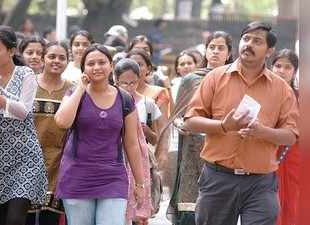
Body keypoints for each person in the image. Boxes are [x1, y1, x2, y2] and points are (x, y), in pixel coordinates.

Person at [184, 21, 299, 225]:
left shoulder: (282, 89)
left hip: (261, 183)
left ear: (269, 50)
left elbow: (291, 135)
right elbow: (191, 121)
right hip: (218, 178)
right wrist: (223, 126)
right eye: (246, 39)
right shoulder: (215, 78)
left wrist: (263, 131)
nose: (249, 44)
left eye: (257, 41)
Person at [54, 44, 145, 225]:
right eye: (91, 63)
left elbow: (132, 144)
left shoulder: (125, 99)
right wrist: (81, 88)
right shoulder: (74, 93)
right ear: (83, 68)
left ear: (111, 65)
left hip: (112, 177)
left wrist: (140, 183)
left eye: (102, 62)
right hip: (77, 176)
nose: (96, 67)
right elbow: (62, 122)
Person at [0, 25, 48, 225]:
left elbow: (22, 111)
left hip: (25, 157)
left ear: (11, 50)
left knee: (16, 220)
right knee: (0, 220)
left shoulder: (25, 74)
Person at [165, 31, 233, 225]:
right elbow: (177, 116)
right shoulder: (191, 79)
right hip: (193, 149)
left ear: (229, 53)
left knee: (220, 211)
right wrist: (182, 125)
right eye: (212, 47)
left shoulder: (236, 80)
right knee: (191, 208)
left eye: (221, 48)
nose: (215, 52)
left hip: (223, 150)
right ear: (205, 50)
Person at [24, 42, 73, 225]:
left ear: (68, 61)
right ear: (43, 58)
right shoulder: (28, 84)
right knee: (25, 215)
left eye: (62, 57)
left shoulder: (73, 89)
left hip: (58, 162)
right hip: (26, 159)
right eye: (52, 56)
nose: (56, 61)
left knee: (50, 218)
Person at [114, 58, 158, 225]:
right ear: (116, 80)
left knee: (134, 207)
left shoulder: (146, 103)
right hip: (117, 156)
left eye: (133, 83)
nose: (128, 87)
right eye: (124, 83)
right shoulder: (111, 100)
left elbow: (156, 137)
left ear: (139, 80)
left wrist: (146, 130)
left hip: (137, 157)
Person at [270, 49, 300, 225]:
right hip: (269, 155)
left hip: (296, 158)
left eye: (287, 67)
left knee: (295, 203)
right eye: (278, 65)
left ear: (294, 71)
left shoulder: (301, 96)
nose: (281, 70)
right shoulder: (262, 93)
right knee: (271, 205)